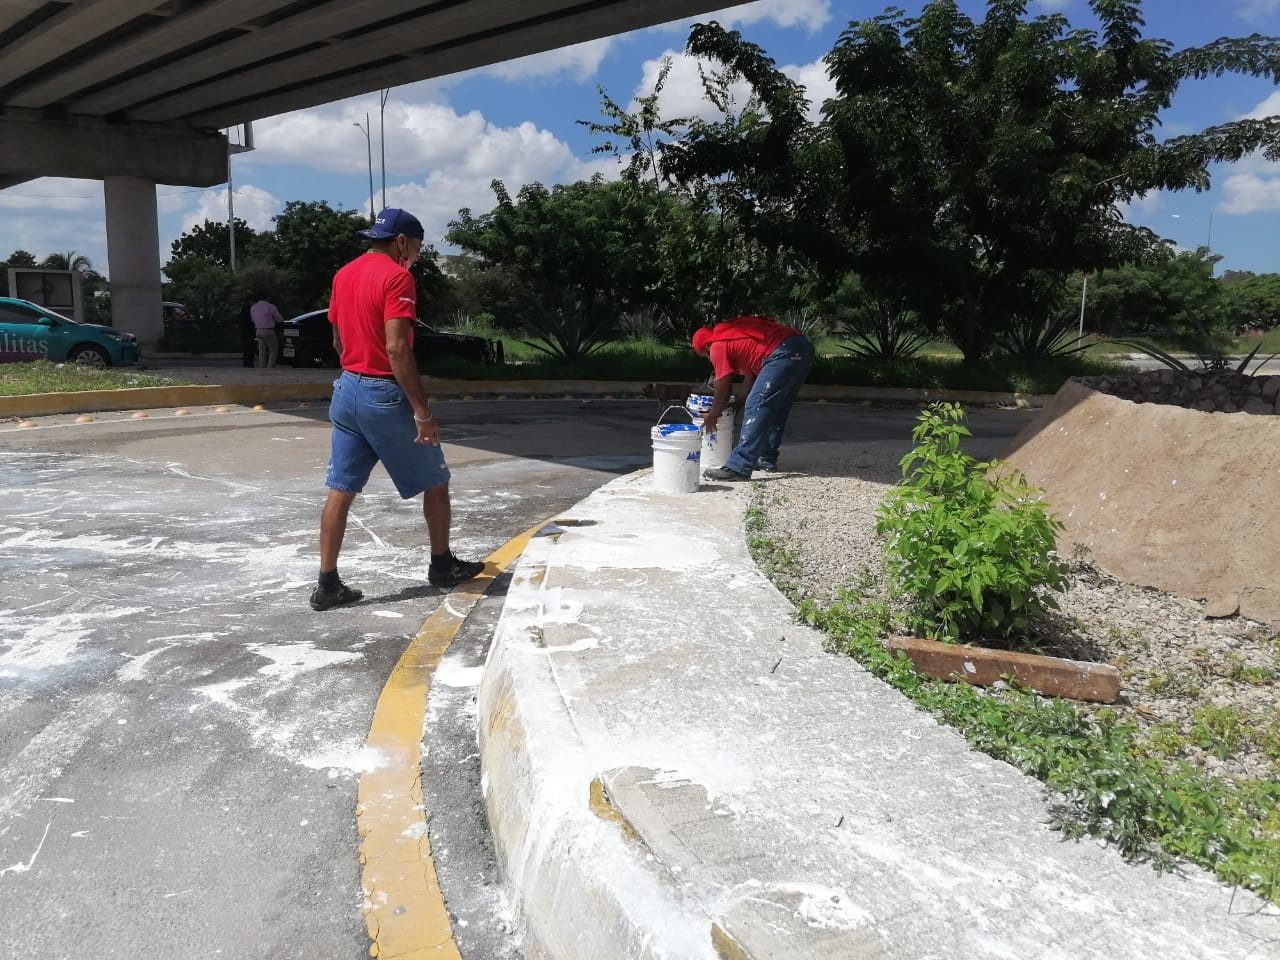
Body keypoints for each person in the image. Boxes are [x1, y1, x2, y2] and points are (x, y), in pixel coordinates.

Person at [310, 207, 485, 611]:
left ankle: (327, 584)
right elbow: (396, 347)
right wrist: (421, 410)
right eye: (418, 247)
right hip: (383, 393)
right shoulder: (397, 277)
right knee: (436, 479)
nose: (417, 256)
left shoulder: (343, 274)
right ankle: (442, 565)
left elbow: (337, 341)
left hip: (347, 389)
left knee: (341, 489)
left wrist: (355, 376)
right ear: (402, 241)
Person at [690, 314, 815, 482]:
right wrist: (738, 403)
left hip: (783, 351)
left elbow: (723, 389)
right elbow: (750, 379)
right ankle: (766, 460)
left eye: (705, 356)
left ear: (704, 348)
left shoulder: (717, 346)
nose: (708, 359)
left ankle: (739, 466)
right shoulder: (736, 341)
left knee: (756, 406)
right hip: (801, 347)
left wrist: (713, 415)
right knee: (776, 408)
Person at [250, 294, 283, 368]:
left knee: (262, 351)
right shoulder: (270, 306)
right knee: (273, 350)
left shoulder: (253, 307)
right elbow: (279, 319)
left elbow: (253, 320)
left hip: (258, 330)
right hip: (269, 330)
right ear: (267, 298)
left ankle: (262, 367)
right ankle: (270, 367)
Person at [237, 299, 256, 368]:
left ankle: (246, 362)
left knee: (246, 348)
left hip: (243, 331)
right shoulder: (250, 309)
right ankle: (249, 362)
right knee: (250, 348)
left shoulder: (243, 310)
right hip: (249, 331)